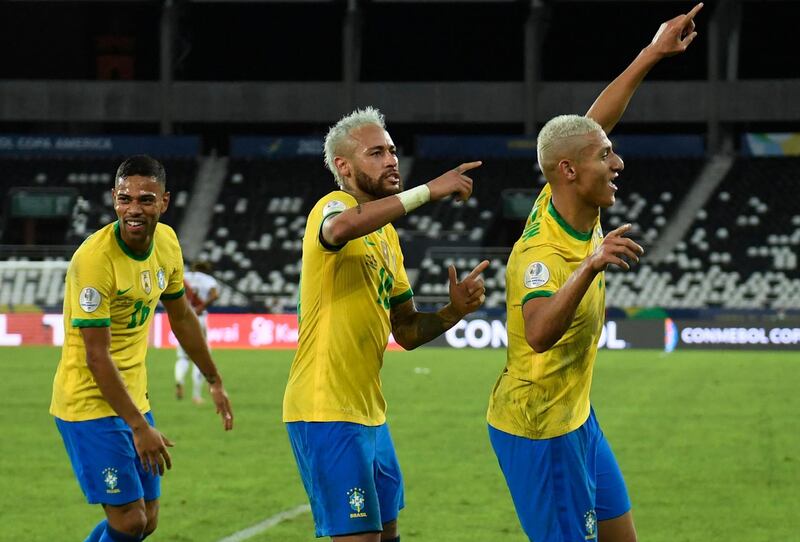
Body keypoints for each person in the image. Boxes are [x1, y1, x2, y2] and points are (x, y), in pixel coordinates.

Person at [486, 4, 703, 542]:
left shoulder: (565, 195)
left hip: (577, 415)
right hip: (539, 427)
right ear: (570, 172)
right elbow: (537, 333)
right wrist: (589, 265)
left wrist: (652, 52)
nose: (618, 163)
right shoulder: (539, 251)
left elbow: (592, 124)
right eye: (607, 157)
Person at [283, 107, 489, 541]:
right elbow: (339, 229)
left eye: (392, 151)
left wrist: (452, 312)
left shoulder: (386, 235)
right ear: (344, 166)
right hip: (325, 410)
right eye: (376, 153)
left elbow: (407, 331)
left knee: (388, 534)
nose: (391, 160)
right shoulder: (334, 206)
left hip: (370, 413)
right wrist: (429, 190)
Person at [50, 155, 234, 542]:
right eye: (124, 198)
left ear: (164, 202)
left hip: (134, 398)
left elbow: (182, 316)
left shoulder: (166, 242)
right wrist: (138, 427)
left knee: (147, 520)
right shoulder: (95, 261)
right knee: (129, 522)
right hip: (88, 403)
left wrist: (214, 380)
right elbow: (96, 357)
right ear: (114, 199)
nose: (133, 209)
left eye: (145, 199)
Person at [175, 260, 220, 404]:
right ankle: (196, 395)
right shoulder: (208, 280)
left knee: (182, 357)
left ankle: (179, 380)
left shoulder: (184, 277)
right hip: (198, 319)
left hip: (182, 318)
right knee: (201, 356)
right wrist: (202, 306)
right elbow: (214, 295)